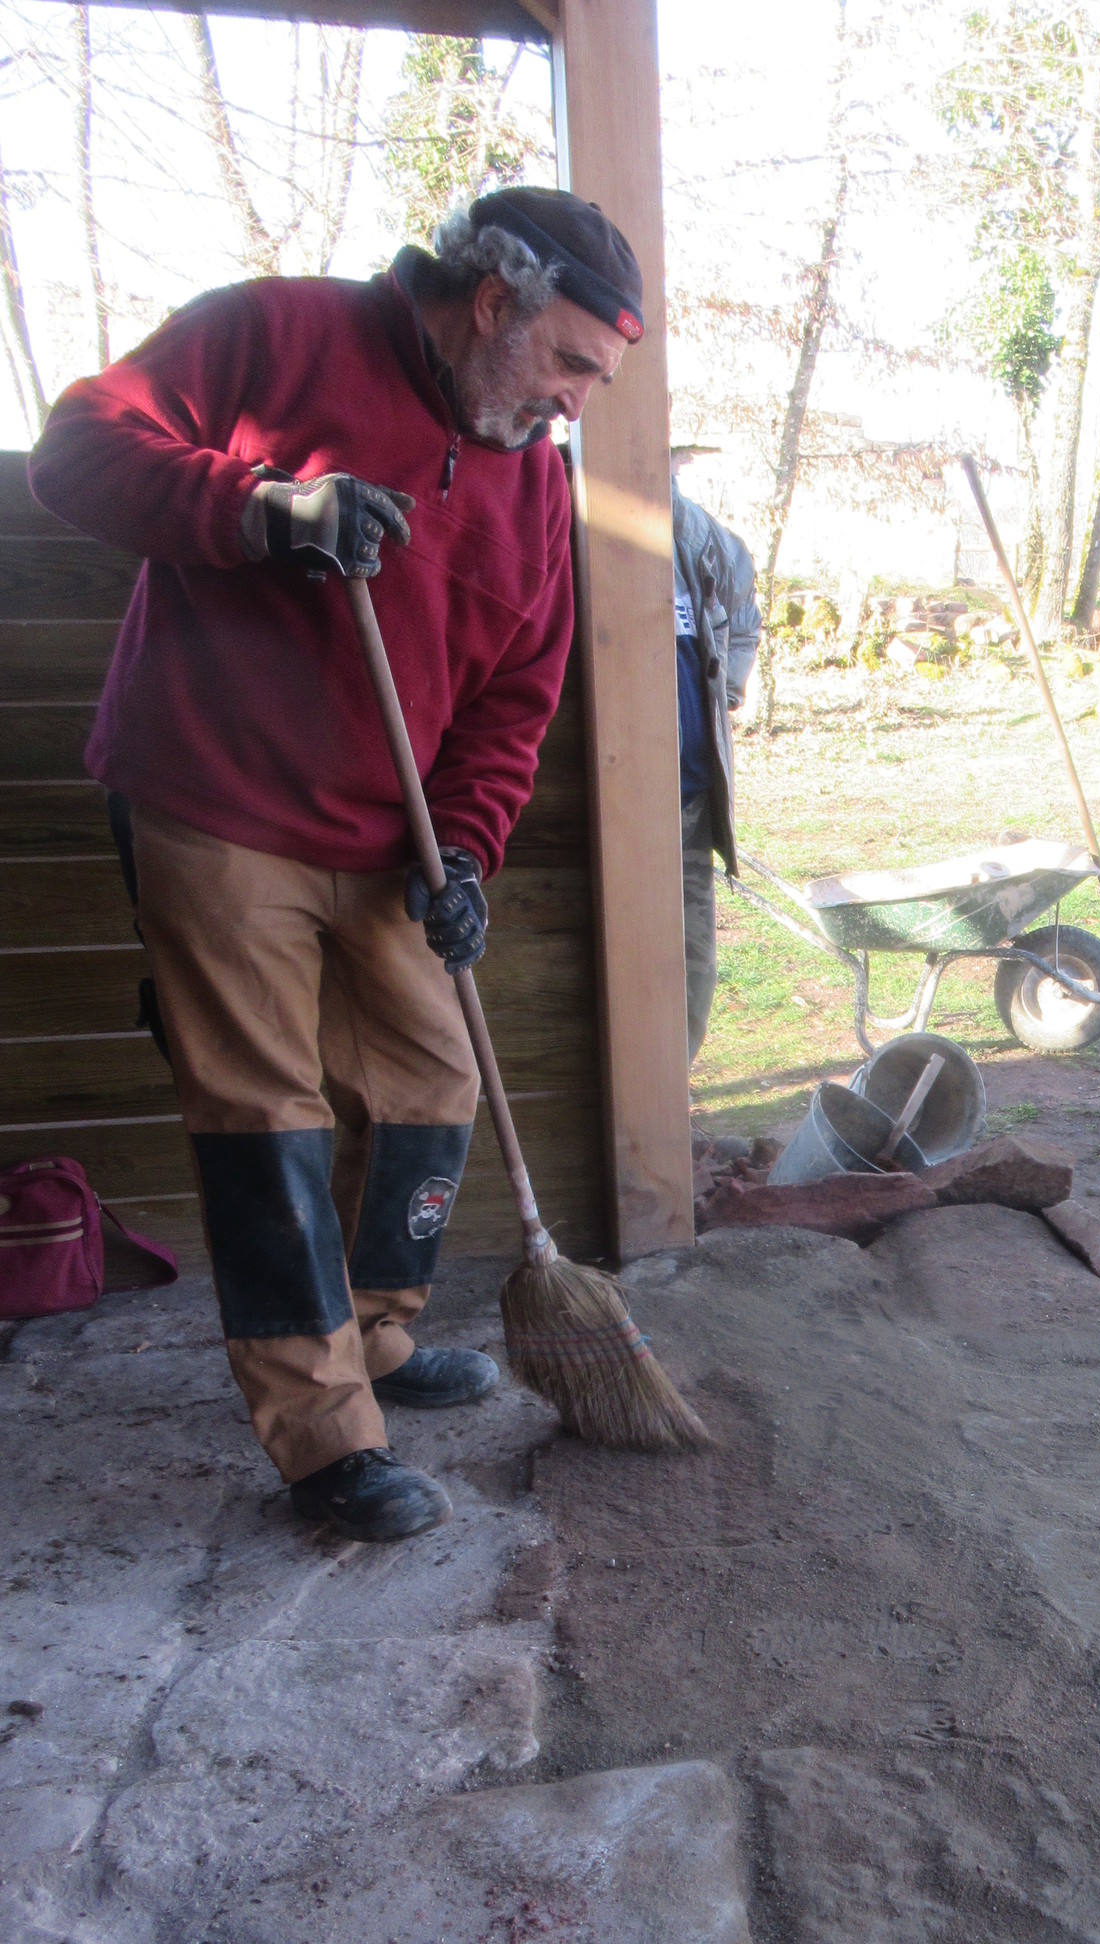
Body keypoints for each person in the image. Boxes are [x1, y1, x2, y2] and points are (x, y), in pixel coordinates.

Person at [30, 187, 642, 1540]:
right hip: (215, 800)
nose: (574, 404)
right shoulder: (276, 334)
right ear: (493, 303)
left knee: (431, 1080)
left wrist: (465, 849)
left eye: (596, 380)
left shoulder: (534, 481)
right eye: (568, 363)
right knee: (267, 1117)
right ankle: (324, 1435)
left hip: (388, 836)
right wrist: (262, 510)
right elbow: (76, 453)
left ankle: (371, 1329)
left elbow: (515, 701)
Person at [671, 462, 760, 1060]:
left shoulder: (702, 541)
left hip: (691, 801)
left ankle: (671, 1089)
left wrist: (725, 687)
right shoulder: (571, 523)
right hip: (619, 806)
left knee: (693, 966)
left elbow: (744, 620)